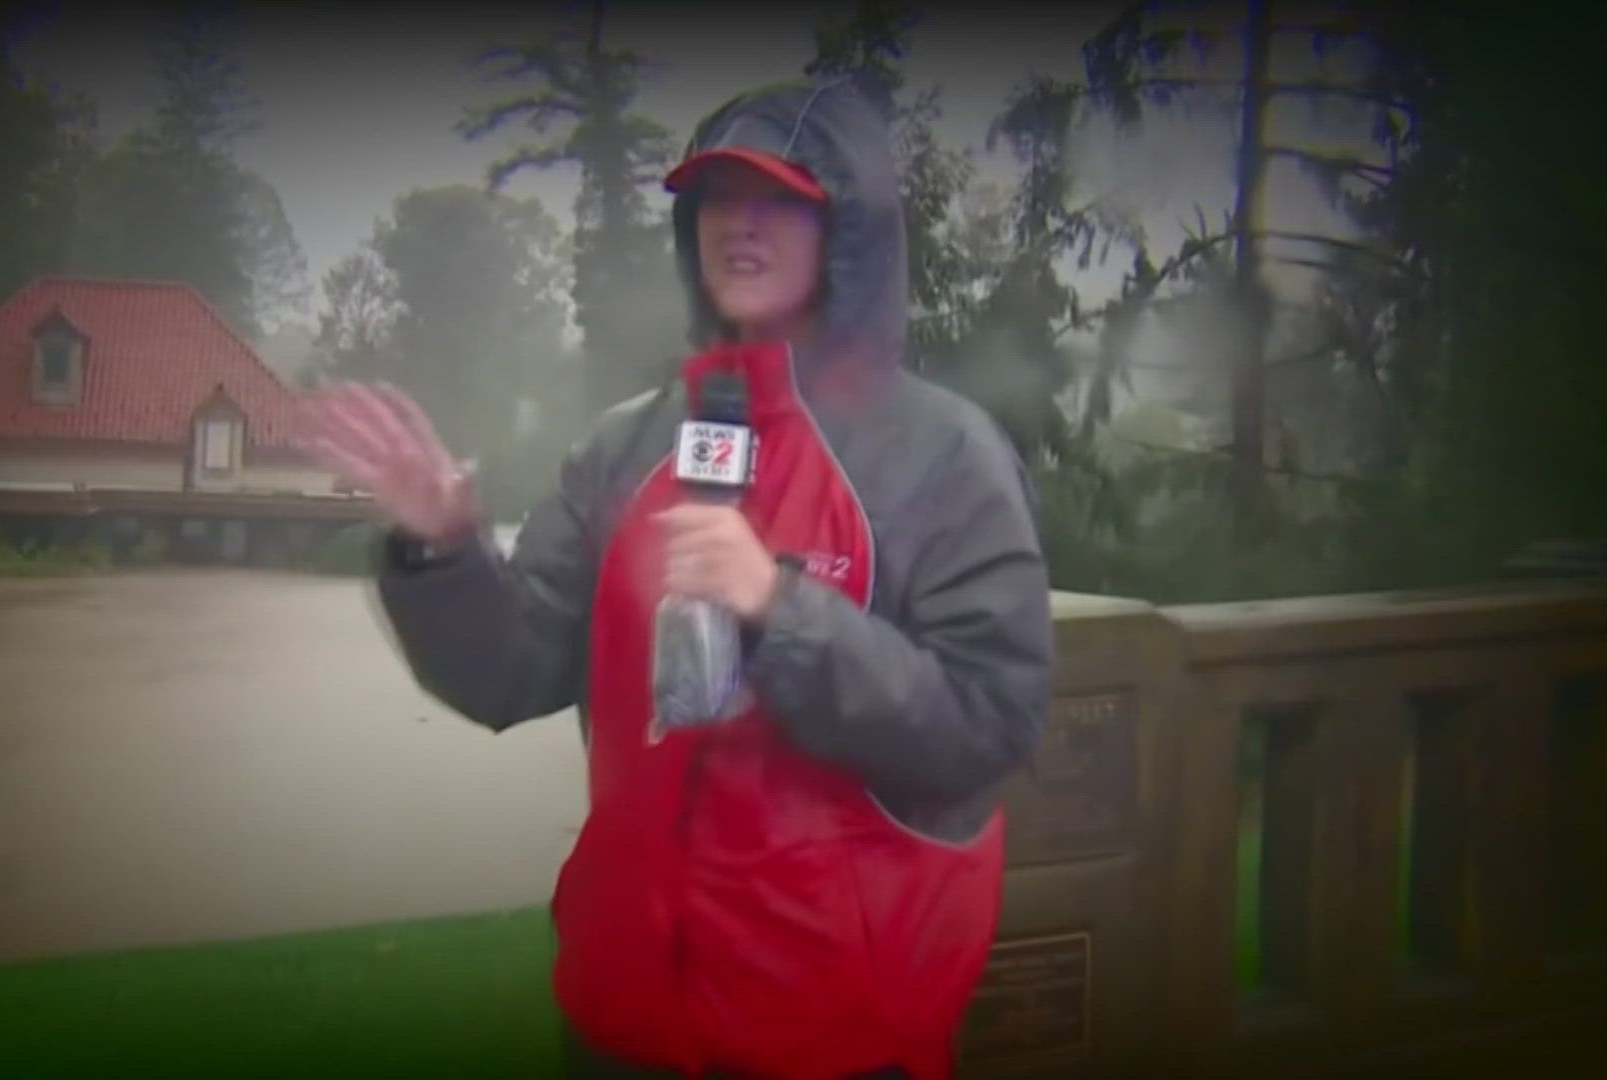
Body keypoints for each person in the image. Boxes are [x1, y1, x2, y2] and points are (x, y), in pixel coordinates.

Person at [307, 74, 1053, 1080]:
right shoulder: (627, 447)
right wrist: (440, 552)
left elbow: (986, 725)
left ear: (852, 228)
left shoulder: (945, 456)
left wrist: (779, 611)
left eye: (777, 199)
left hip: (837, 1036)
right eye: (715, 198)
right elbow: (507, 673)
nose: (738, 227)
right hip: (624, 1022)